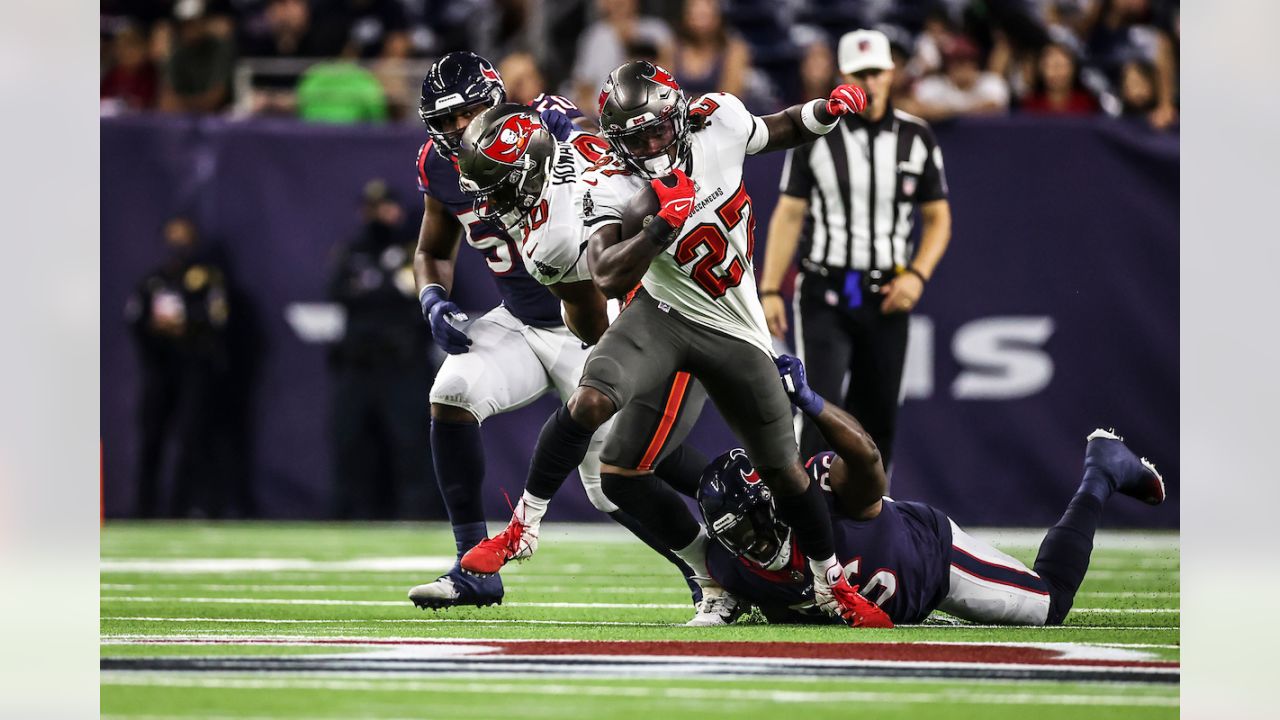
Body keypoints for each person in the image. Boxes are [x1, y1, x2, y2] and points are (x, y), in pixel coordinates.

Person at [461, 60, 886, 628]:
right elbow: (608, 272)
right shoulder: (607, 184)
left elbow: (777, 128)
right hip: (661, 312)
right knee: (595, 412)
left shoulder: (719, 121)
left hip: (736, 323)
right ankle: (523, 527)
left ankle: (831, 582)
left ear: (680, 116)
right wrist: (660, 223)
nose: (653, 145)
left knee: (784, 471)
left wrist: (826, 112)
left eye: (660, 129)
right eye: (637, 138)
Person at [407, 52, 704, 611]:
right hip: (522, 318)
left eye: (465, 114)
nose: (456, 130)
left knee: (619, 473)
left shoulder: (551, 125)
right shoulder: (440, 164)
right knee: (451, 393)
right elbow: (431, 248)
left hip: (596, 322)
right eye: (442, 123)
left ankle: (714, 569)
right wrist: (432, 298)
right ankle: (475, 567)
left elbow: (615, 157)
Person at [698, 354, 1167, 626]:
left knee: (1052, 604)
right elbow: (652, 507)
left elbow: (866, 458)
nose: (756, 546)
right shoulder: (729, 564)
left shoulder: (828, 491)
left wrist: (811, 402)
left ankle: (1101, 472)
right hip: (900, 598)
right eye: (740, 538)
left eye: (757, 528)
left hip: (932, 562)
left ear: (778, 503)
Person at [760, 29, 952, 466]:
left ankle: (871, 525)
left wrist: (917, 276)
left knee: (879, 416)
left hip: (888, 293)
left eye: (877, 72)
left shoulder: (916, 137)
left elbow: (938, 219)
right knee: (818, 408)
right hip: (827, 289)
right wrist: (771, 286)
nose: (870, 82)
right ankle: (808, 522)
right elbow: (789, 213)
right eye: (860, 73)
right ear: (843, 76)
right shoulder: (816, 134)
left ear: (891, 74)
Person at [327, 180, 442, 520]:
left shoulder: (415, 251)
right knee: (350, 440)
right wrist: (386, 289)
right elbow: (336, 291)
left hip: (402, 363)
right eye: (372, 208)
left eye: (385, 207)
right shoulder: (353, 251)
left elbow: (429, 293)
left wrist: (376, 291)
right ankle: (350, 513)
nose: (379, 215)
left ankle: (417, 513)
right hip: (359, 363)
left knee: (410, 441)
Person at [124, 217, 233, 518]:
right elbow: (135, 320)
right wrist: (156, 328)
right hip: (160, 368)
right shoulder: (154, 280)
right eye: (173, 236)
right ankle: (144, 508)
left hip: (193, 367)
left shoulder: (206, 279)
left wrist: (187, 326)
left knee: (193, 438)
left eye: (183, 237)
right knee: (152, 438)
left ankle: (186, 507)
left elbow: (217, 319)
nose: (178, 244)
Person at [571, 0, 674, 109]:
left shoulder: (657, 30)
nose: (619, 3)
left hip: (652, 109)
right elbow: (583, 85)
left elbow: (670, 72)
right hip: (605, 113)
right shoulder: (594, 36)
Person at [909, 35, 1010, 120]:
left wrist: (948, 112)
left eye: (967, 61)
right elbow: (915, 109)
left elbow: (994, 106)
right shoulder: (934, 85)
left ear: (975, 64)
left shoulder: (991, 82)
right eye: (956, 62)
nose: (962, 68)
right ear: (948, 65)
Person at [670, 0, 751, 99]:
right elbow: (664, 91)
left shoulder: (735, 50)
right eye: (694, 10)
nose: (699, 16)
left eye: (705, 13)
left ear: (718, 16)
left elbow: (730, 97)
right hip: (678, 112)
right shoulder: (671, 48)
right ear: (685, 15)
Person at [1019, 41, 1099, 115]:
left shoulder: (1087, 104)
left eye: (1062, 65)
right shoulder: (1030, 105)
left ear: (1073, 68)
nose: (1056, 72)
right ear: (1040, 69)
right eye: (1050, 66)